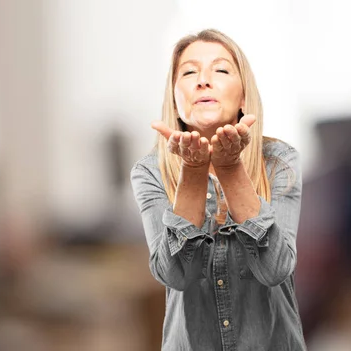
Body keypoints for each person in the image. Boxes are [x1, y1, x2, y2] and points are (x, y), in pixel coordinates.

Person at [130, 29, 306, 351]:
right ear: (175, 97)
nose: (203, 81)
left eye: (221, 70)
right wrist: (193, 172)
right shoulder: (149, 172)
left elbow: (275, 269)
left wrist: (230, 169)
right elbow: (176, 275)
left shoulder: (280, 162)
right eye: (189, 72)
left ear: (243, 97)